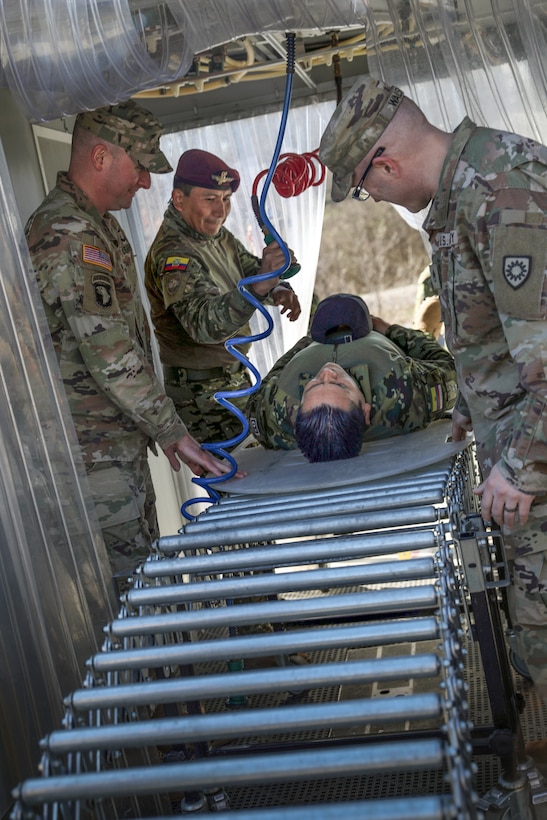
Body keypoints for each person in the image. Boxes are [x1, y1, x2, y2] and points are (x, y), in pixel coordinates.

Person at [318, 77, 547, 732]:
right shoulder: (456, 201)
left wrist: (518, 469)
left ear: (384, 164)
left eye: (368, 188)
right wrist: (470, 409)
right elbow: (492, 338)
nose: (378, 200)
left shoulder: (501, 191)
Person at [25, 101, 238, 587]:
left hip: (115, 446)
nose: (145, 182)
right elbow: (110, 352)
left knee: (148, 585)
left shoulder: (100, 224)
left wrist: (159, 430)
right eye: (140, 167)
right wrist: (173, 430)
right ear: (101, 158)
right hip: (90, 457)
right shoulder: (68, 231)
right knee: (129, 599)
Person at [144, 148, 302, 445]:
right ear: (179, 199)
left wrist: (279, 286)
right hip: (203, 397)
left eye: (226, 199)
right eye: (210, 199)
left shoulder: (215, 235)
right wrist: (260, 286)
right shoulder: (173, 253)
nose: (221, 211)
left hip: (231, 379)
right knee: (241, 479)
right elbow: (204, 325)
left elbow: (251, 270)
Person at [246, 293, 457, 461]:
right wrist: (392, 331)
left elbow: (258, 399)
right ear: (366, 411)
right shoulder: (405, 394)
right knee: (421, 359)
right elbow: (449, 368)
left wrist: (303, 345)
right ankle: (422, 330)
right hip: (382, 341)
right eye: (340, 385)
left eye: (313, 385)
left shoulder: (273, 417)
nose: (327, 373)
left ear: (296, 414)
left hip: (314, 342)